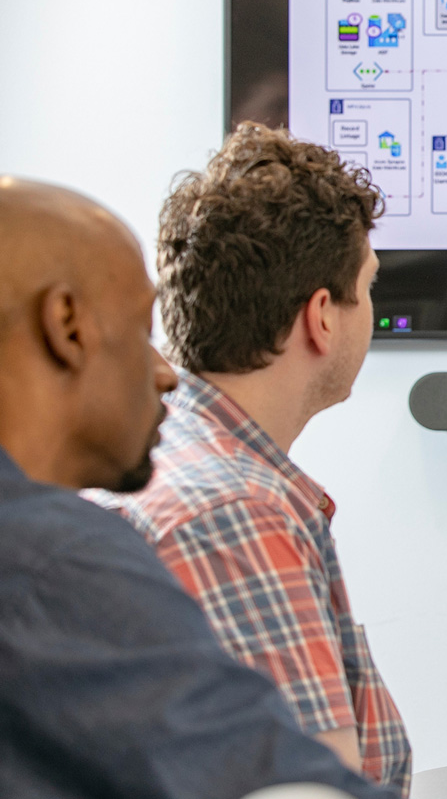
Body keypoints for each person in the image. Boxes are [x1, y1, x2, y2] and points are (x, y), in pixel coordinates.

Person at [0, 176, 394, 799]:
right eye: (138, 330)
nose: (164, 372)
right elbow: (300, 785)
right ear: (66, 325)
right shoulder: (215, 514)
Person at [87, 125, 414, 792]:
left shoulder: (162, 459)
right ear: (322, 316)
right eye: (369, 286)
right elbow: (315, 788)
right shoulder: (237, 513)